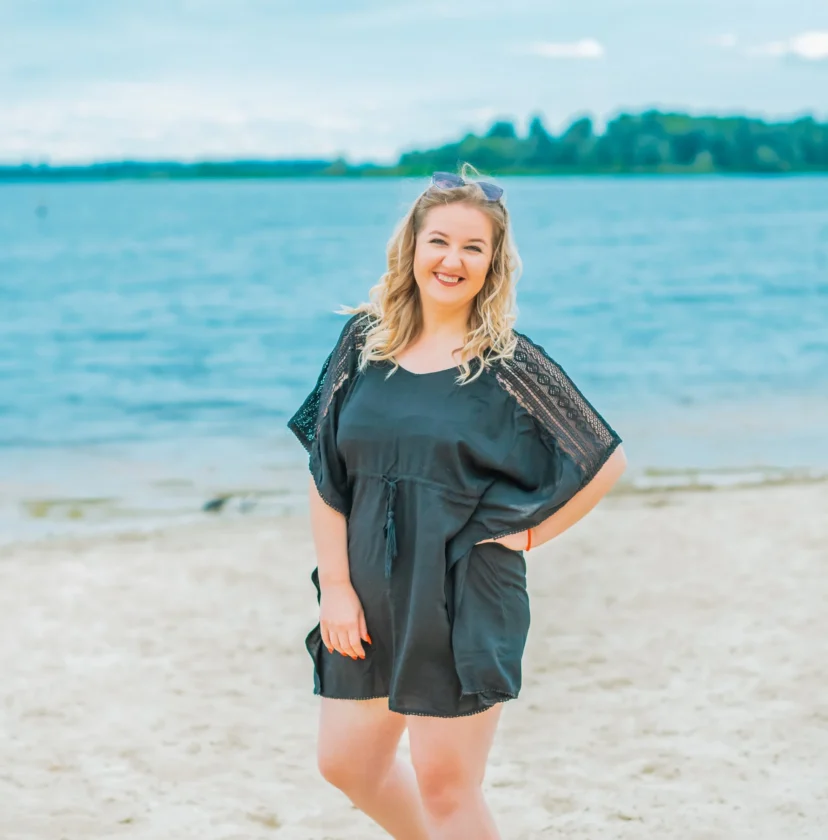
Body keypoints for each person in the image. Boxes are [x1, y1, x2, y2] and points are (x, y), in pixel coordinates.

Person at [288, 167, 627, 840]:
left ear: (494, 263)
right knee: (347, 763)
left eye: (473, 247)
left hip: (463, 593)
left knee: (447, 789)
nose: (452, 260)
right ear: (411, 247)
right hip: (368, 589)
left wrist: (527, 538)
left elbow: (604, 460)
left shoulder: (508, 363)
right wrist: (336, 587)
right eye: (439, 240)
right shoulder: (363, 343)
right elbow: (325, 469)